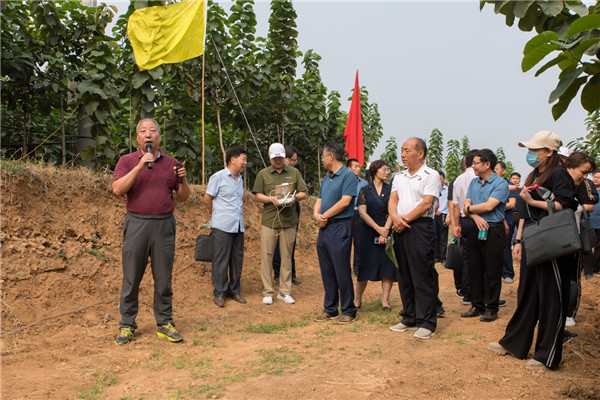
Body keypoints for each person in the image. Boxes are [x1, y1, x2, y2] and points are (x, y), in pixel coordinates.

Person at [488, 130, 578, 371]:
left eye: (535, 150)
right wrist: (518, 240)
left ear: (549, 152)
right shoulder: (534, 173)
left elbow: (566, 205)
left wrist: (533, 201)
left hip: (553, 244)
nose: (530, 154)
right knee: (527, 293)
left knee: (551, 298)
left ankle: (546, 355)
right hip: (531, 239)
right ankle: (514, 342)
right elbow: (523, 212)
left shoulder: (559, 174)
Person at [112, 118, 190, 345]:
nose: (148, 135)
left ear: (159, 137)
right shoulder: (127, 161)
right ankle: (127, 324)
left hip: (164, 226)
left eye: (153, 131)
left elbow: (183, 197)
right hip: (137, 224)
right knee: (131, 277)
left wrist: (183, 180)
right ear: (137, 137)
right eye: (143, 131)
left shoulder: (171, 162)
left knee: (163, 278)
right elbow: (117, 189)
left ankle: (165, 323)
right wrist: (139, 166)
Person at [388, 137, 441, 340]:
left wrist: (404, 219)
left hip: (419, 227)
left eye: (407, 150)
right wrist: (394, 218)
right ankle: (409, 316)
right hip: (400, 226)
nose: (403, 154)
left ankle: (427, 321)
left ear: (420, 153)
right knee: (404, 274)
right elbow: (393, 200)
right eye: (402, 150)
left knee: (422, 274)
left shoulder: (431, 175)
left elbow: (427, 203)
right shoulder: (399, 176)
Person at [253, 143, 307, 305]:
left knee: (286, 257)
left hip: (289, 221)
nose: (278, 161)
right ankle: (268, 291)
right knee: (267, 256)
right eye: (275, 158)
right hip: (269, 221)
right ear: (270, 157)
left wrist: (294, 198)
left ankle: (284, 291)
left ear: (284, 157)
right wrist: (271, 199)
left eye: (280, 158)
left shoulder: (294, 172)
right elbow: (257, 195)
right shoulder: (263, 174)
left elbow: (303, 193)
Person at [461, 149, 509, 322]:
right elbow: (467, 203)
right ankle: (477, 305)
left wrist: (469, 210)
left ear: (487, 164)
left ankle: (492, 307)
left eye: (475, 163)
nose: (472, 166)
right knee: (474, 269)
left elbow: (489, 206)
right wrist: (473, 214)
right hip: (476, 227)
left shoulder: (500, 183)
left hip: (493, 229)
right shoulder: (474, 182)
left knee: (493, 270)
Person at [313, 142, 358, 324]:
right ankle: (330, 308)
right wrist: (317, 215)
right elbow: (319, 199)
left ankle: (348, 310)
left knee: (341, 269)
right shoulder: (326, 178)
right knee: (327, 270)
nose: (322, 160)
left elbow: (345, 201)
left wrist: (324, 215)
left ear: (331, 156)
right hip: (325, 228)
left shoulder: (348, 175)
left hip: (340, 226)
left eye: (323, 156)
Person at [204, 146, 247, 308]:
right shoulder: (218, 177)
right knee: (221, 260)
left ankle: (234, 291)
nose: (245, 163)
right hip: (222, 225)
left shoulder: (240, 179)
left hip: (238, 226)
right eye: (243, 159)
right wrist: (215, 215)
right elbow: (207, 198)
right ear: (233, 159)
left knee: (237, 259)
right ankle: (220, 292)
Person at [353, 160, 396, 310]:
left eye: (388, 169)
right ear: (375, 171)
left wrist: (385, 229)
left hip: (387, 230)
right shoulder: (365, 190)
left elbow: (393, 211)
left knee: (387, 267)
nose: (387, 172)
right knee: (365, 266)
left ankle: (385, 301)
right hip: (368, 231)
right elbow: (363, 213)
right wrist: (378, 228)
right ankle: (357, 300)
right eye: (384, 169)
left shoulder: (391, 189)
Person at [563, 152, 597, 327]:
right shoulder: (555, 179)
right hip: (555, 236)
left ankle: (570, 312)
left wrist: (574, 206)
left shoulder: (583, 184)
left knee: (573, 277)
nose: (585, 175)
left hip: (575, 234)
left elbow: (590, 204)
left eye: (587, 172)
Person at [451, 149, 479, 306]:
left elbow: (455, 206)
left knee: (467, 259)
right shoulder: (479, 177)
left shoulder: (459, 179)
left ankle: (467, 294)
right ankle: (482, 295)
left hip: (464, 221)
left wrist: (456, 225)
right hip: (480, 220)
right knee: (482, 258)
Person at [273, 145, 303, 285]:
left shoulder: (295, 172)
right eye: (291, 160)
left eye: (295, 160)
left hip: (292, 208)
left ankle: (292, 274)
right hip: (276, 209)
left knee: (290, 242)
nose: (293, 163)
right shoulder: (272, 173)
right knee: (277, 243)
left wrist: (294, 198)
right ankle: (278, 273)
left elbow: (302, 190)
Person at [495, 162, 518, 284]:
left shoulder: (509, 185)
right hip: (493, 220)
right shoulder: (491, 184)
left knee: (505, 246)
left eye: (497, 169)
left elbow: (512, 203)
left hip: (507, 220)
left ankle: (508, 273)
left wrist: (494, 207)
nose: (494, 171)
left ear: (503, 171)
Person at [348, 158, 369, 276]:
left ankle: (357, 266)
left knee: (359, 242)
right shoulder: (344, 182)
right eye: (355, 166)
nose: (358, 169)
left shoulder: (364, 183)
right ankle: (346, 268)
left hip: (360, 214)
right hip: (347, 214)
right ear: (348, 169)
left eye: (359, 166)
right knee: (346, 242)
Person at [581, 170, 600, 279]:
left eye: (599, 177)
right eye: (595, 177)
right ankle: (583, 268)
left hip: (599, 223)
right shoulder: (587, 188)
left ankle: (595, 268)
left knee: (598, 247)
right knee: (586, 246)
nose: (596, 179)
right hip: (587, 222)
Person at [434, 171, 449, 266]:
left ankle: (443, 257)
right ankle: (436, 256)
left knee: (443, 237)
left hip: (444, 214)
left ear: (443, 178)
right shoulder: (433, 189)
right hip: (434, 215)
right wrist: (435, 211)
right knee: (435, 236)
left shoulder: (447, 190)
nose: (440, 180)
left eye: (441, 178)